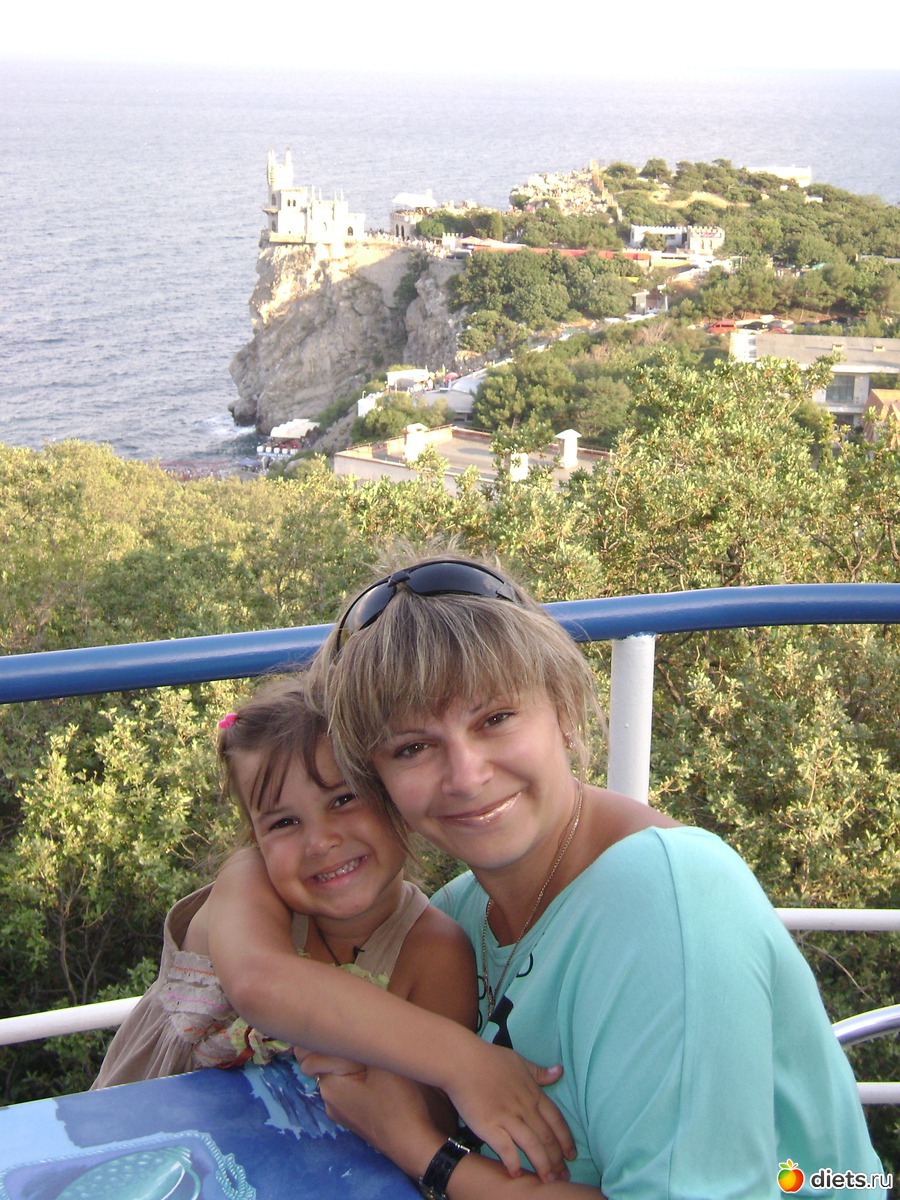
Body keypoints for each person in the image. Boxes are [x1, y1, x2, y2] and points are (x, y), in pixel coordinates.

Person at [304, 555, 886, 1199]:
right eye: (413, 748)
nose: (466, 776)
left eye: (495, 718)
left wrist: (421, 1150)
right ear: (378, 782)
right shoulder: (456, 917)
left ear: (561, 708)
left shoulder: (665, 902)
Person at [93, 675, 574, 1185]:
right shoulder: (249, 885)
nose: (320, 841)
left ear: (395, 797)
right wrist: (466, 1062)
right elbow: (260, 982)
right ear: (255, 836)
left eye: (344, 799)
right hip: (145, 1150)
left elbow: (421, 1119)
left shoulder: (434, 951)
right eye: (283, 823)